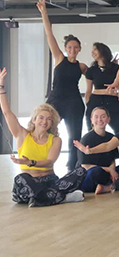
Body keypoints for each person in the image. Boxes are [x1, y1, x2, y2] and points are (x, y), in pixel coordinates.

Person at [1, 68, 86, 207]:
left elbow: (49, 162)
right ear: (34, 120)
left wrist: (31, 162)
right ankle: (57, 197)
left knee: (80, 171)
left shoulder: (56, 140)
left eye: (49, 119)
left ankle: (42, 198)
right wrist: (1, 86)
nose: (44, 121)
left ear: (52, 123)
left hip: (49, 180)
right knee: (20, 179)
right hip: (29, 182)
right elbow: (6, 112)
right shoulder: (22, 134)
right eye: (41, 117)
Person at [37, 0, 87, 171]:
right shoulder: (59, 58)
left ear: (80, 49)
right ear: (66, 49)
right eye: (70, 47)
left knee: (75, 136)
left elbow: (97, 75)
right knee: (45, 130)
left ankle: (72, 166)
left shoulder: (82, 66)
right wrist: (44, 12)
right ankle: (42, 161)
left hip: (74, 103)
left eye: (76, 47)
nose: (73, 49)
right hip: (55, 100)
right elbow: (49, 33)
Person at [84, 42, 119, 134]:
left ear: (102, 51)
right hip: (95, 100)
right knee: (92, 130)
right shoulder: (91, 70)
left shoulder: (116, 68)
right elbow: (88, 90)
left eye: (95, 49)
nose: (92, 52)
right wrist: (88, 103)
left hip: (112, 101)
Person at [78, 107, 119, 194]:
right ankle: (109, 186)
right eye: (96, 117)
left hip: (105, 173)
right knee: (96, 172)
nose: (99, 119)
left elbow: (113, 159)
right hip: (91, 175)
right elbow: (85, 166)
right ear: (91, 120)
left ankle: (106, 187)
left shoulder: (111, 137)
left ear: (108, 119)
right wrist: (109, 170)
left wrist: (112, 170)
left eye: (103, 116)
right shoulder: (86, 139)